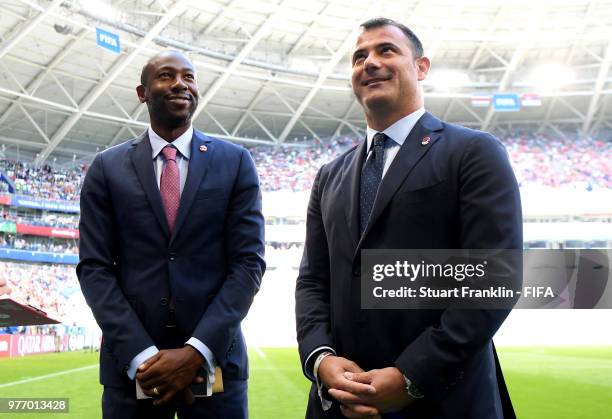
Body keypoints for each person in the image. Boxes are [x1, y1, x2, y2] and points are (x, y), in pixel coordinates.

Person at [295, 18, 522, 419]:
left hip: (442, 401)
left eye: (386, 50)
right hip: (340, 402)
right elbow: (314, 281)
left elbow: (493, 279)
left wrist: (410, 377)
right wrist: (320, 359)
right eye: (359, 56)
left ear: (421, 67)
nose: (370, 62)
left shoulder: (473, 152)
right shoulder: (330, 174)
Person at [77, 50, 265, 418]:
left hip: (216, 364)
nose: (181, 83)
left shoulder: (235, 161)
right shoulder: (106, 168)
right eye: (166, 76)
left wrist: (197, 350)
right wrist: (142, 356)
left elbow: (248, 264)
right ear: (142, 92)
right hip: (132, 373)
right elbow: (94, 268)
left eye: (189, 77)